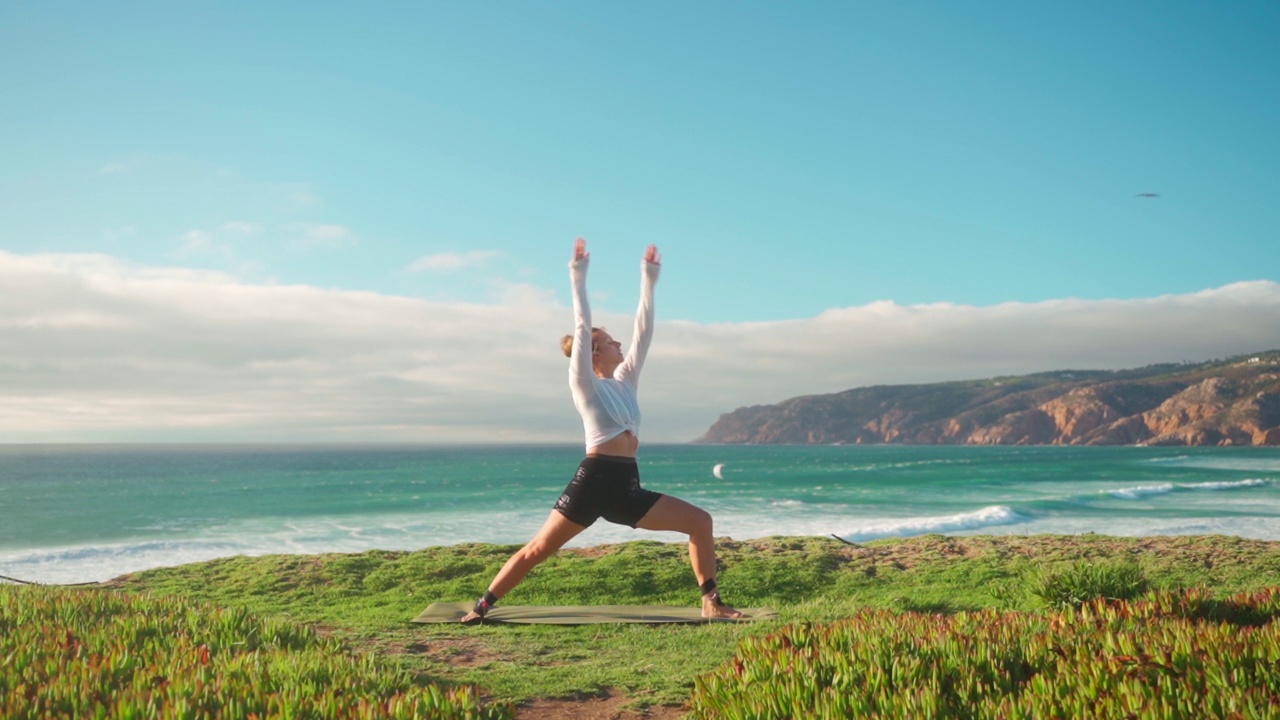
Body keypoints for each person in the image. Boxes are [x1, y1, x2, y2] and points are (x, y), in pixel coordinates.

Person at [461, 238, 742, 623]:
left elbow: (643, 332)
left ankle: (711, 602)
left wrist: (649, 278)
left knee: (700, 521)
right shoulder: (584, 385)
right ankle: (482, 607)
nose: (620, 343)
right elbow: (581, 325)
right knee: (539, 549)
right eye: (610, 341)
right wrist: (578, 275)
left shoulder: (625, 381)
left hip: (627, 486)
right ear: (593, 351)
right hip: (592, 482)